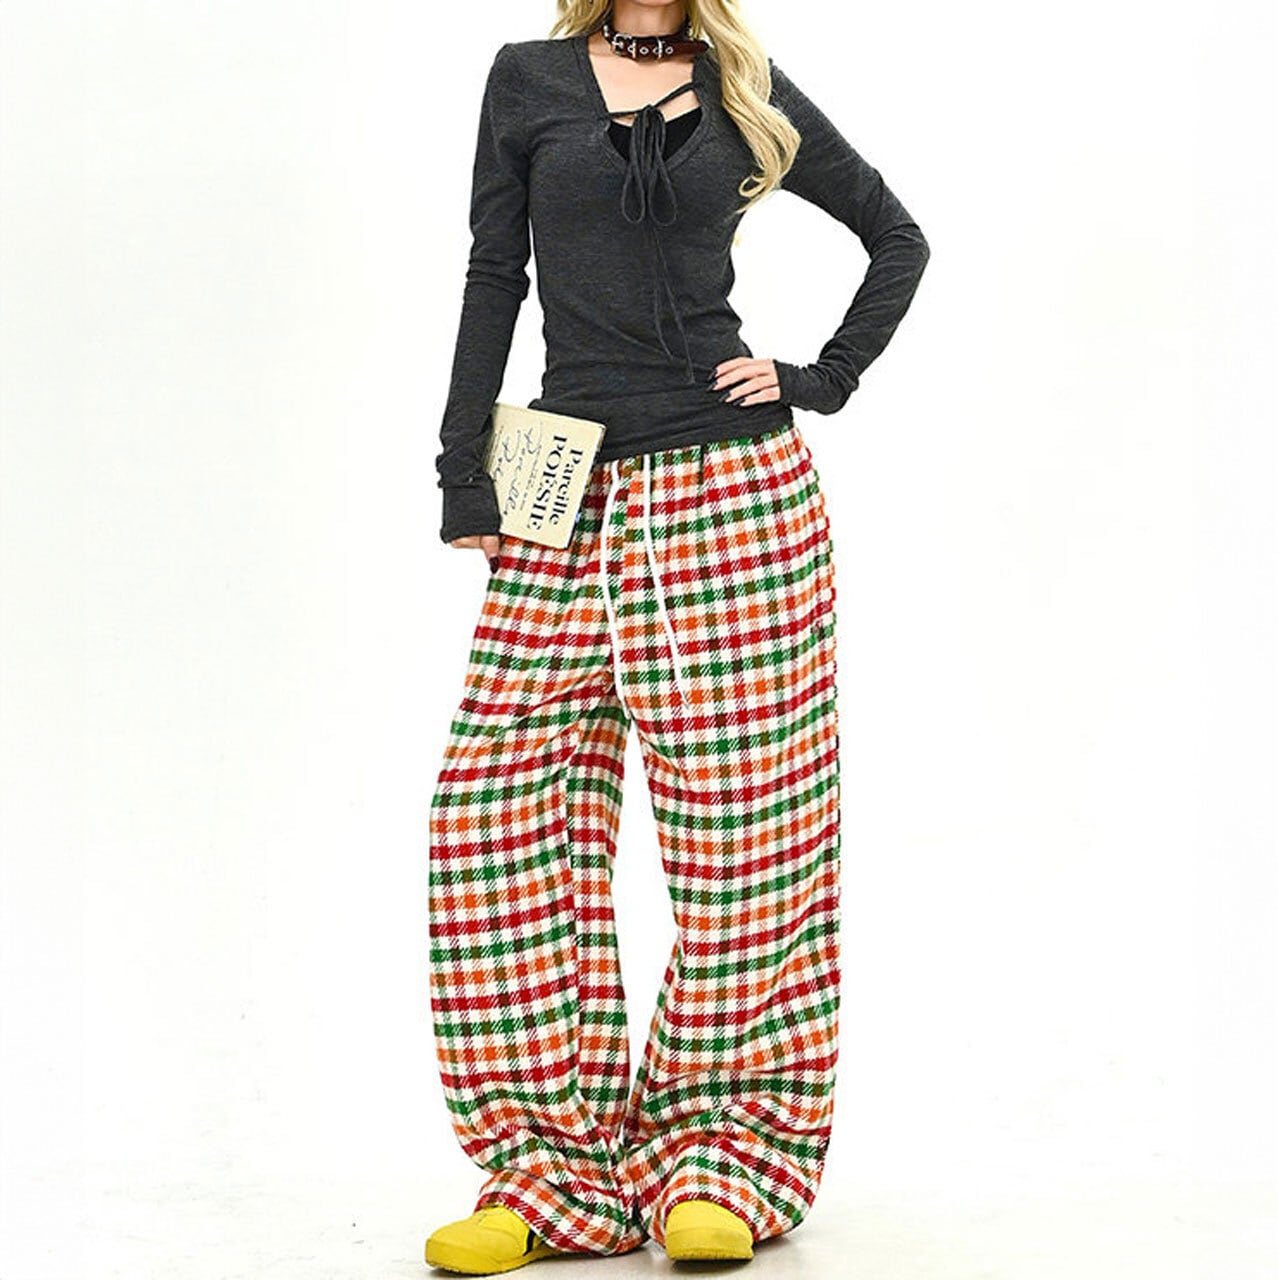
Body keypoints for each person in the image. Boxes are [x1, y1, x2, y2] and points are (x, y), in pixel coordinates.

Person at [426, 1, 929, 1271]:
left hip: (732, 491)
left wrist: (817, 377)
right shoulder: (529, 77)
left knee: (746, 835)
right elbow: (495, 272)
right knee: (493, 813)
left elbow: (896, 237)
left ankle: (725, 1158)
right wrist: (461, 469)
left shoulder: (746, 84)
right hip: (563, 479)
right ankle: (550, 1173)